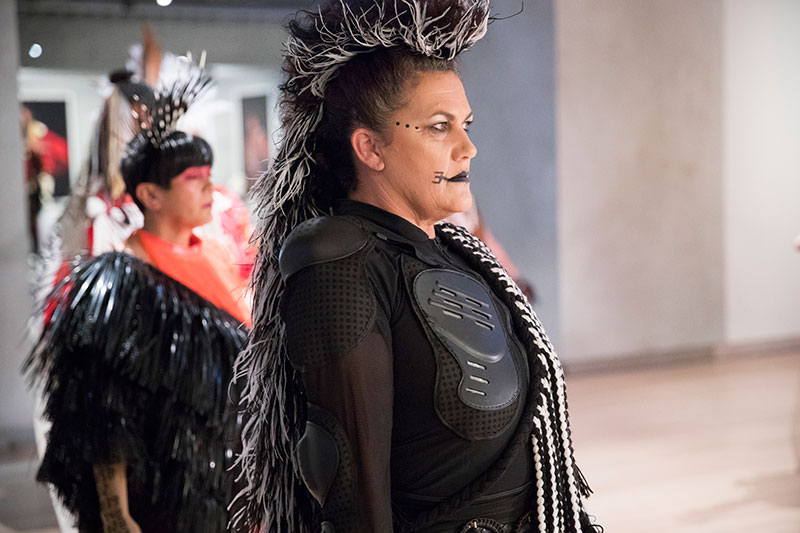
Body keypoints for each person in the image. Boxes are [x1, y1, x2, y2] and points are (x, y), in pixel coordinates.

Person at [233, 1, 600, 533]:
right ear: (369, 148)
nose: (468, 147)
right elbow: (352, 495)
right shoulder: (339, 261)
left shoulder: (457, 251)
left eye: (466, 124)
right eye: (437, 127)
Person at [25, 70, 249, 533]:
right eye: (194, 178)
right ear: (150, 194)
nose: (211, 188)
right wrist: (115, 511)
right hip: (160, 499)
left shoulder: (213, 255)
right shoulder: (120, 280)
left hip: (227, 489)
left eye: (209, 175)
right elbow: (102, 409)